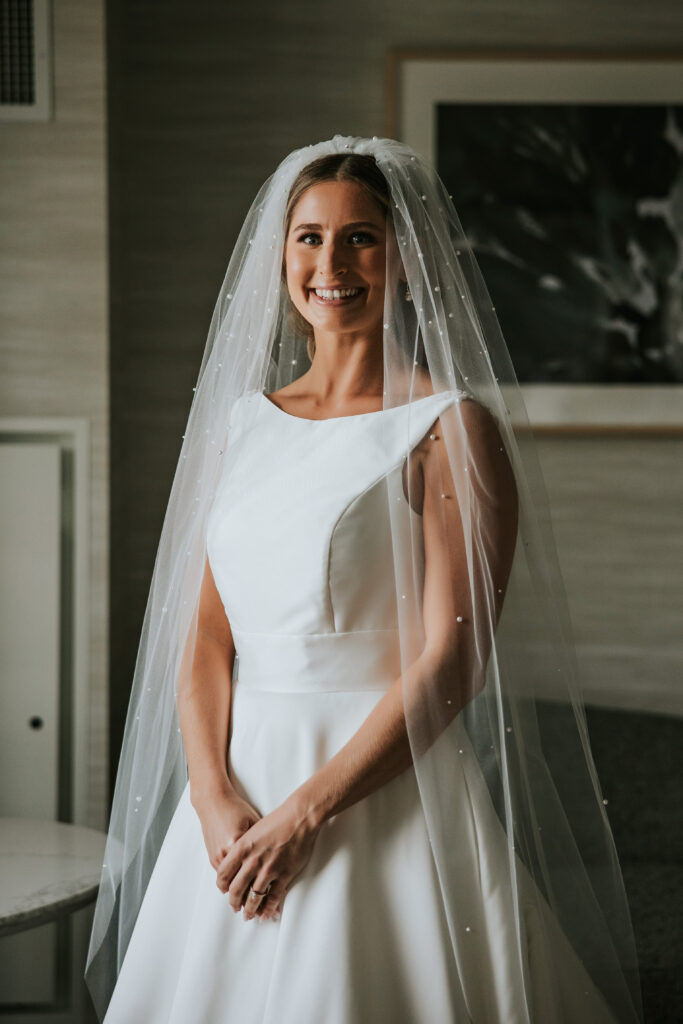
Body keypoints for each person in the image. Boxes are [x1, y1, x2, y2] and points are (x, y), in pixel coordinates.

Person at [85, 136, 644, 1023]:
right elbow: (204, 639)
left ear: (408, 259)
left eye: (360, 238)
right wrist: (215, 799)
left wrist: (305, 814)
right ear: (280, 257)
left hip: (378, 793)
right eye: (308, 237)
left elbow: (450, 665)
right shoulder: (240, 425)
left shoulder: (449, 427)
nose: (329, 263)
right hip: (236, 805)